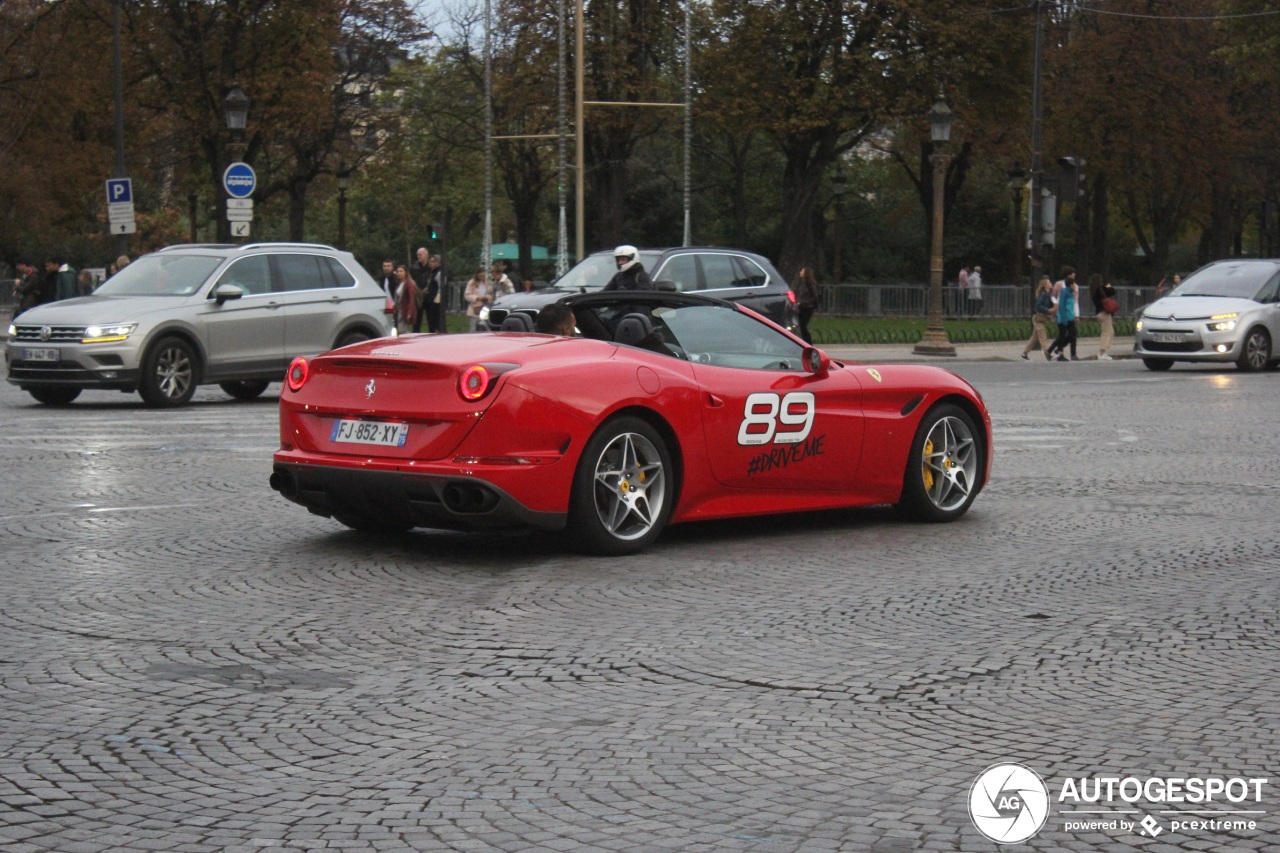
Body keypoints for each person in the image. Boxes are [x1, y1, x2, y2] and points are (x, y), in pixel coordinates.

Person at [1046, 268, 1078, 362]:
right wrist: (1064, 319)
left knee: (1072, 336)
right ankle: (1057, 352)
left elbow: (1073, 305)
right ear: (1070, 285)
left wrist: (1074, 315)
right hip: (1064, 318)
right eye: (1073, 285)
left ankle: (1072, 354)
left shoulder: (1070, 293)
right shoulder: (1064, 292)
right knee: (1062, 336)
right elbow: (1062, 306)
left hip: (1070, 317)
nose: (1075, 287)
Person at [1021, 275, 1056, 360]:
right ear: (1045, 285)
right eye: (1049, 283)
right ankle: (1047, 353)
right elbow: (1038, 306)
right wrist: (1048, 310)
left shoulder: (1048, 294)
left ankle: (1025, 353)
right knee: (1043, 335)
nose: (1051, 284)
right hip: (1038, 318)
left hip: (1041, 318)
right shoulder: (1044, 294)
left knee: (1034, 338)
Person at [1089, 273, 1118, 360]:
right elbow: (1112, 291)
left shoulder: (1093, 290)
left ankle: (1104, 351)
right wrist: (1109, 286)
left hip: (1099, 313)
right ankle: (1102, 353)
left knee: (1109, 332)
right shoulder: (1101, 289)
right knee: (1107, 333)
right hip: (1105, 313)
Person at [792, 265, 820, 344]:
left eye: (802, 271)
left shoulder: (810, 284)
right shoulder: (802, 284)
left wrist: (806, 302)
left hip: (808, 308)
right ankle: (804, 342)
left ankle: (808, 343)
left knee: (803, 326)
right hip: (801, 307)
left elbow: (815, 296)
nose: (800, 272)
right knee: (801, 326)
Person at [410, 247, 432, 333]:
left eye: (420, 255)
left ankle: (432, 334)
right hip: (418, 296)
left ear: (426, 255)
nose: (418, 256)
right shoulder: (413, 267)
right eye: (417, 255)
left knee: (431, 319)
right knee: (417, 320)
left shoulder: (431, 267)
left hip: (429, 296)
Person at [463, 266, 492, 332]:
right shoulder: (472, 282)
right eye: (480, 273)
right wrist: (477, 298)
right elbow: (467, 295)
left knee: (485, 328)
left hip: (484, 308)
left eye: (483, 273)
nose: (482, 275)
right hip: (474, 309)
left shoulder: (487, 283)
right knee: (473, 329)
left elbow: (491, 294)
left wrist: (487, 297)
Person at [426, 254, 448, 333]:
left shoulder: (439, 273)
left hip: (436, 301)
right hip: (432, 299)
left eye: (432, 261)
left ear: (438, 262)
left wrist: (437, 300)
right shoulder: (433, 272)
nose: (430, 263)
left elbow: (440, 288)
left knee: (437, 321)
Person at [393, 264, 418, 334]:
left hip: (405, 309)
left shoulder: (409, 283)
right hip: (399, 309)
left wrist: (409, 312)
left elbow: (411, 298)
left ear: (405, 273)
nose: (399, 273)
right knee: (399, 329)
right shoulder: (399, 283)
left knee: (402, 330)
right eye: (398, 271)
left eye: (401, 271)